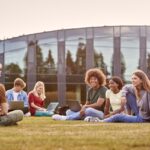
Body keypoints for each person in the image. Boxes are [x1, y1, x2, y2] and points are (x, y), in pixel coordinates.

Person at [86, 69, 150, 123]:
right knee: (127, 94)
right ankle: (128, 115)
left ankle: (100, 121)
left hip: (143, 118)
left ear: (141, 80)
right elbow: (125, 87)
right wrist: (123, 96)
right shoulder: (134, 88)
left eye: (135, 79)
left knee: (118, 116)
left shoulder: (147, 93)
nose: (132, 80)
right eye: (132, 78)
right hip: (139, 113)